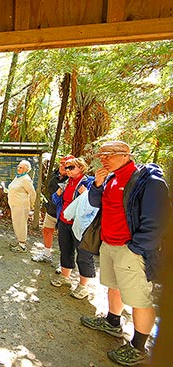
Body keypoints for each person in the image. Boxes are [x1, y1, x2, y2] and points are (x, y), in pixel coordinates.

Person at [80, 141, 170, 366]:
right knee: (113, 285)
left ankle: (138, 346)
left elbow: (157, 219)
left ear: (126, 155)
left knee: (138, 298)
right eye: (101, 155)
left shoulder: (146, 181)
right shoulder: (110, 177)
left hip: (130, 248)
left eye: (109, 155)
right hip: (109, 244)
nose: (104, 159)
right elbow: (95, 202)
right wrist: (98, 185)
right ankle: (112, 321)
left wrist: (136, 247)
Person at [50, 157, 96, 300]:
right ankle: (65, 276)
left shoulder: (89, 183)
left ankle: (83, 286)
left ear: (81, 168)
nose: (68, 170)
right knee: (65, 249)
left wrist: (85, 194)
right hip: (64, 221)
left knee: (83, 253)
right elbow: (55, 200)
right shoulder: (66, 182)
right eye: (67, 167)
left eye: (72, 167)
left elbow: (94, 204)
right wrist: (58, 192)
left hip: (80, 224)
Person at [32, 155, 71, 263]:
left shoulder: (74, 180)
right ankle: (47, 254)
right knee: (47, 231)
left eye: (67, 164)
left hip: (65, 213)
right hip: (52, 210)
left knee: (65, 239)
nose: (63, 166)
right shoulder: (54, 175)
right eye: (62, 163)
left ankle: (64, 264)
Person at [7, 160, 36, 253]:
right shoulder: (18, 177)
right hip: (15, 204)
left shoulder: (26, 179)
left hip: (21, 206)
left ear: (26, 169)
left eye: (21, 168)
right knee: (16, 223)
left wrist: (31, 204)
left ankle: (22, 245)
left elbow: (33, 193)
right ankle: (20, 242)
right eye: (19, 167)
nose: (19, 169)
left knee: (21, 224)